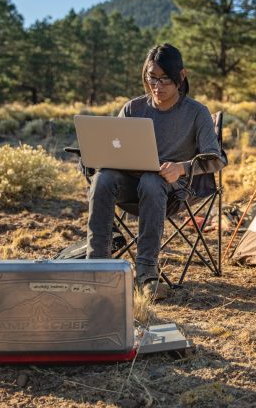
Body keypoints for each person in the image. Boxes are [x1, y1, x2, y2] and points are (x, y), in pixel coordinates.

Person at [86, 44, 226, 298]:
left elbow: (216, 159)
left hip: (173, 193)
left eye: (165, 79)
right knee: (103, 178)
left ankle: (147, 274)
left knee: (152, 180)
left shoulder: (196, 112)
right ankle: (96, 267)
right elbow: (111, 147)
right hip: (130, 189)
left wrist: (181, 168)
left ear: (181, 76)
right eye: (152, 77)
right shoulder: (133, 109)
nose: (157, 86)